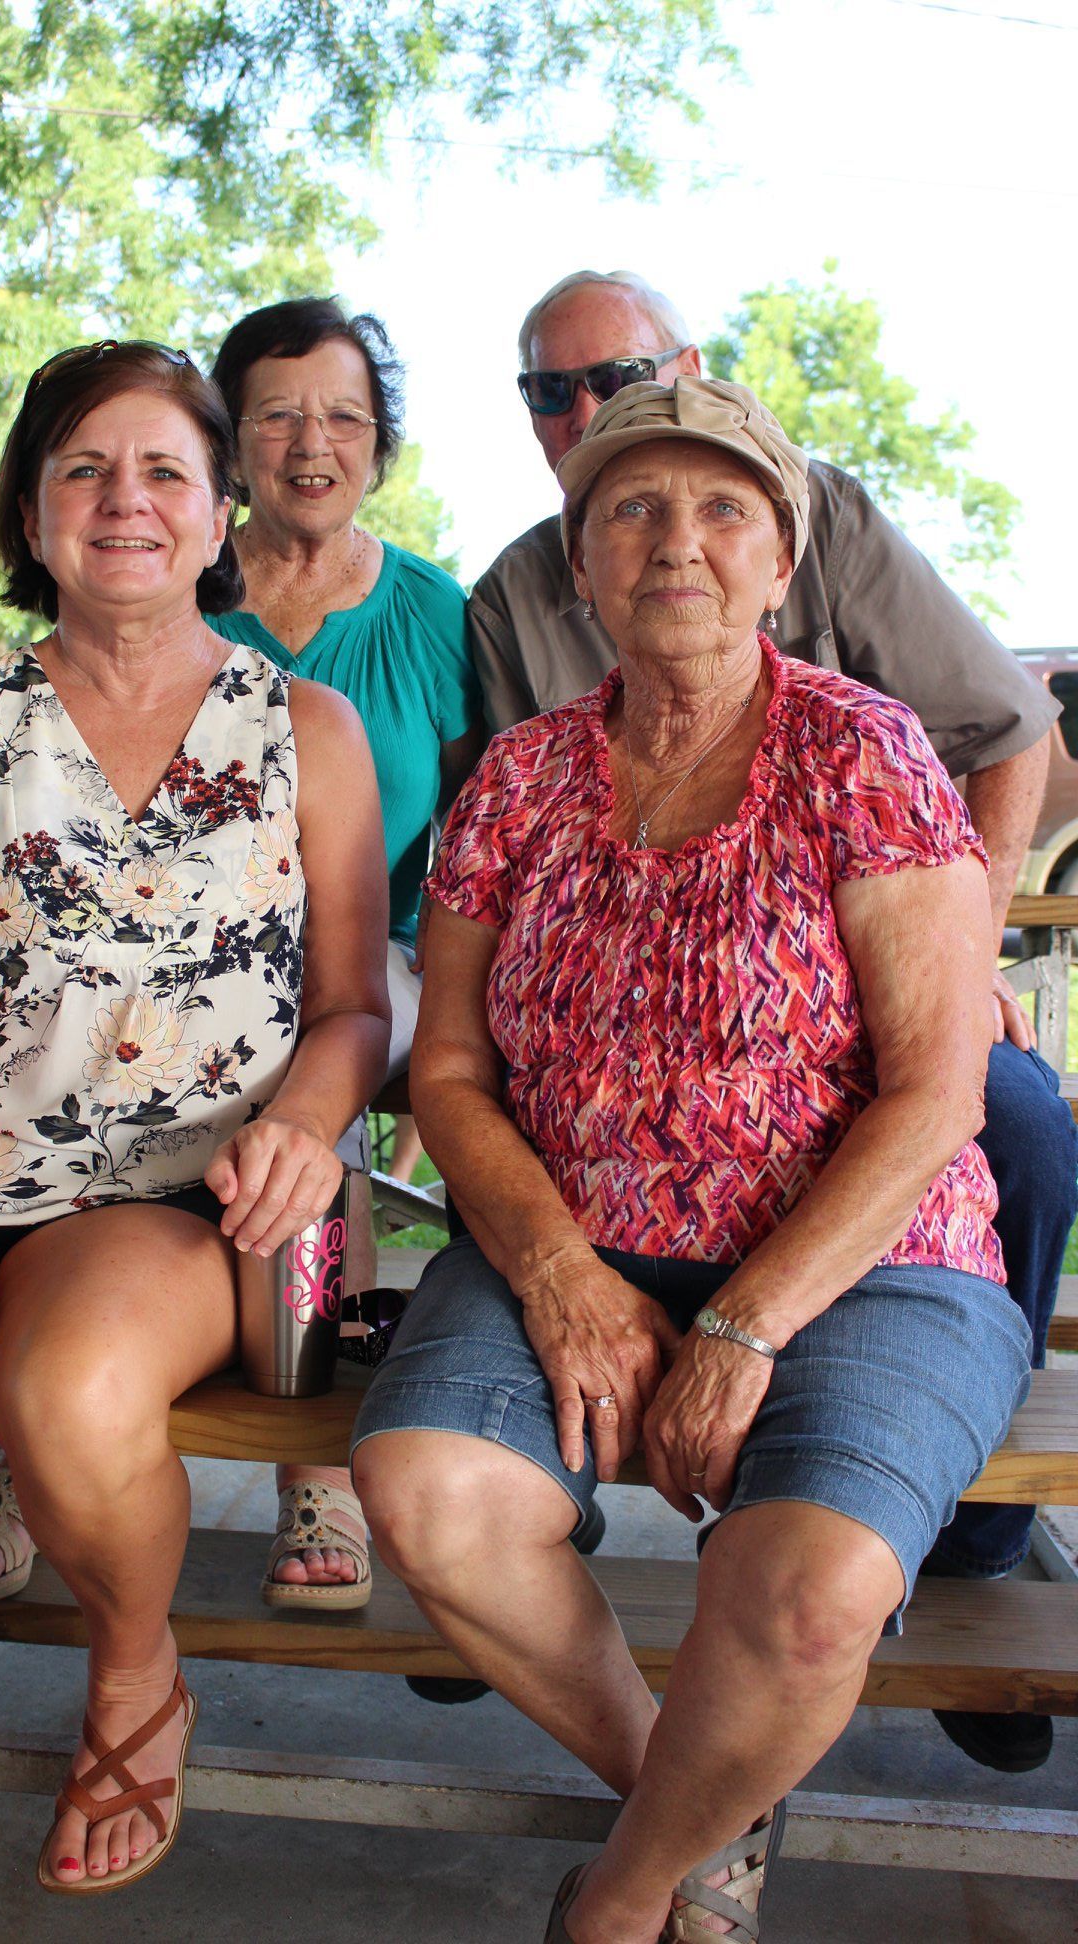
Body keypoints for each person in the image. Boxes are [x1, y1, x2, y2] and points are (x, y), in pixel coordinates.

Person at [352, 378, 1032, 1943]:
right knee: (428, 1491)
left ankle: (623, 1894)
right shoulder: (514, 783)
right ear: (578, 565)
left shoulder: (860, 750)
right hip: (572, 1232)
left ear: (782, 560)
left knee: (808, 1597)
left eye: (723, 508)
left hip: (867, 1251)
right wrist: (557, 1267)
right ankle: (697, 1794)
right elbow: (445, 1072)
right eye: (632, 512)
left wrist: (746, 1324)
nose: (679, 542)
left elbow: (937, 1092)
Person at [0, 340, 390, 1888]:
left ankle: (135, 1671)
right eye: (83, 468)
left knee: (65, 1404)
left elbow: (355, 1009)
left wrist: (310, 1125)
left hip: (183, 1195)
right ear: (35, 510)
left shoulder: (308, 733)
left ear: (219, 512)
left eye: (165, 471)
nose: (125, 499)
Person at [468, 268, 1078, 1774]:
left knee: (1015, 1121)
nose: (586, 411)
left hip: (869, 954)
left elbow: (1006, 732)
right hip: (633, 1065)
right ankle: (518, 1544)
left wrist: (952, 942)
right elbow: (521, 842)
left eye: (614, 376)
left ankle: (971, 1523)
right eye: (554, 393)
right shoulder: (511, 595)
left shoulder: (818, 515)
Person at [207, 297, 482, 1605]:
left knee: (327, 1050)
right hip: (181, 956)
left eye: (345, 417)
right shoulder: (174, 584)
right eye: (278, 415)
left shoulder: (433, 613)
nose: (312, 442)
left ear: (380, 445)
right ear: (231, 440)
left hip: (384, 950)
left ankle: (318, 1464)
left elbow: (491, 818)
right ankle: (35, 1435)